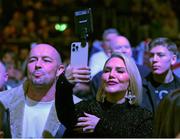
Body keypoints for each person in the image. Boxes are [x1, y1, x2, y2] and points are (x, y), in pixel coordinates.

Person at [55, 52, 153, 138]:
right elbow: (66, 116)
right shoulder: (88, 109)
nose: (111, 75)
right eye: (107, 70)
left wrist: (100, 126)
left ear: (131, 79)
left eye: (120, 71)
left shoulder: (143, 117)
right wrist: (65, 83)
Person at [0, 44, 81, 138]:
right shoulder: (3, 101)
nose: (37, 65)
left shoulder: (76, 107)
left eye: (46, 60)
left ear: (59, 70)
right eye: (32, 60)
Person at [142, 37, 180, 113]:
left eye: (160, 55)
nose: (155, 60)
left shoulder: (178, 87)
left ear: (173, 60)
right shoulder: (140, 87)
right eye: (151, 55)